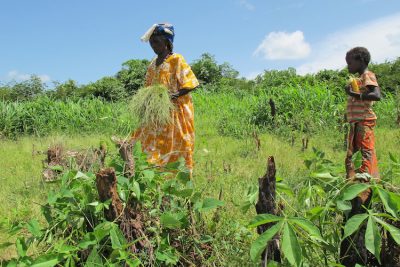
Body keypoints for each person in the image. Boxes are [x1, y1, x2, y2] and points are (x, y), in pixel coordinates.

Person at [132, 23, 199, 176]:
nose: (153, 46)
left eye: (157, 42)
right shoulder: (152, 64)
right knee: (149, 142)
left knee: (176, 144)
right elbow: (147, 87)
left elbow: (191, 84)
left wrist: (173, 95)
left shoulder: (176, 60)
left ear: (167, 42)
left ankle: (175, 178)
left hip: (175, 112)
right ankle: (151, 175)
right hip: (156, 113)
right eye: (151, 42)